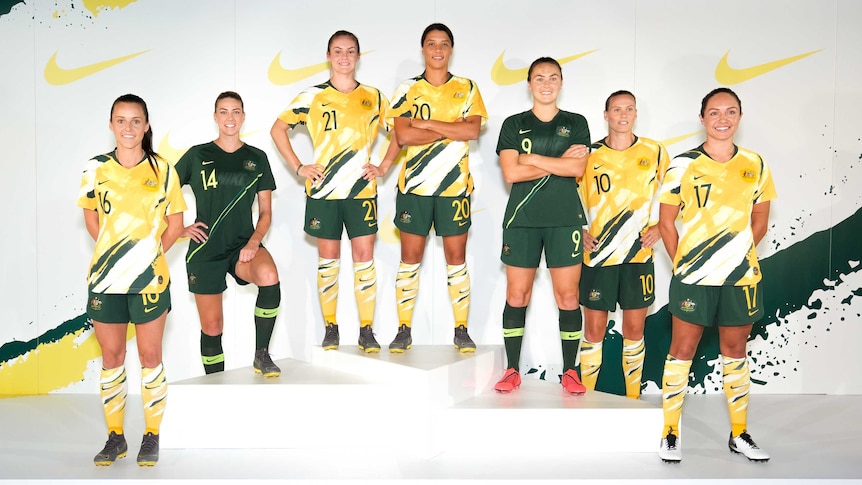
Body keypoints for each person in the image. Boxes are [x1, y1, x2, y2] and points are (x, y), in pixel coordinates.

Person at [657, 87, 776, 463]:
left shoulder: (755, 163)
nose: (722, 119)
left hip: (740, 278)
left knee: (735, 351)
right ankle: (670, 432)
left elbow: (760, 220)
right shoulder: (681, 164)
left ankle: (739, 434)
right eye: (714, 112)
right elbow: (665, 222)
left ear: (740, 117)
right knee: (682, 351)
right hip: (694, 277)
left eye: (730, 112)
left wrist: (734, 255)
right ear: (702, 118)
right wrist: (685, 264)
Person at [271, 30, 400, 352]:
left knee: (364, 258)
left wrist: (383, 166)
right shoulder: (312, 96)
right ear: (328, 56)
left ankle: (366, 330)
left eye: (351, 51)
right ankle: (331, 327)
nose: (344, 57)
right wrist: (299, 167)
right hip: (324, 192)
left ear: (358, 56)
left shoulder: (374, 96)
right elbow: (278, 128)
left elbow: (399, 133)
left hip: (361, 192)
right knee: (328, 260)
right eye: (338, 51)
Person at [79, 94, 186, 466]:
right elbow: (92, 218)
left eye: (135, 120)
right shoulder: (94, 169)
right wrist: (115, 255)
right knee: (111, 357)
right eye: (121, 121)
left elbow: (174, 225)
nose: (128, 128)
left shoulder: (163, 169)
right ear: (111, 125)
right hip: (106, 281)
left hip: (150, 281)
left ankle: (151, 435)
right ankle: (115, 437)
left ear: (146, 125)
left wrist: (147, 254)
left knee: (151, 357)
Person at [386, 23, 488, 353]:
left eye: (444, 43)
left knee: (456, 259)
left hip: (454, 188)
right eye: (431, 43)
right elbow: (403, 136)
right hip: (414, 188)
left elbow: (472, 131)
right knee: (410, 259)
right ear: (423, 49)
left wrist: (426, 123)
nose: (437, 49)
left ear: (451, 49)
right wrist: (451, 129)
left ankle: (461, 329)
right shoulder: (407, 88)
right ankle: (403, 329)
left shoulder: (467, 87)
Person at [494, 57, 591, 394]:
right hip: (522, 221)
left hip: (565, 220)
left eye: (553, 77)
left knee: (568, 297)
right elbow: (511, 173)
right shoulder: (513, 123)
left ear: (561, 82)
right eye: (539, 78)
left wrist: (532, 158)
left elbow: (577, 170)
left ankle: (570, 371)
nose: (546, 83)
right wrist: (560, 162)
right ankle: (511, 369)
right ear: (529, 83)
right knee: (516, 295)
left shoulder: (576, 123)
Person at [176, 91, 282, 377]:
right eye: (224, 112)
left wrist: (254, 241)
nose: (230, 118)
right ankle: (215, 386)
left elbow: (266, 213)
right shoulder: (198, 155)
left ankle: (262, 355)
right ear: (215, 117)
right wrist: (179, 228)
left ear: (243, 117)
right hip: (205, 250)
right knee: (212, 327)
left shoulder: (256, 158)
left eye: (236, 112)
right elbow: (164, 192)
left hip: (241, 245)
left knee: (270, 277)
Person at [577, 91, 669, 399]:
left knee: (634, 331)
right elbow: (567, 196)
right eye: (617, 109)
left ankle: (633, 400)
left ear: (636, 113)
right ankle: (586, 401)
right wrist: (579, 229)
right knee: (593, 332)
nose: (623, 114)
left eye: (629, 108)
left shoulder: (655, 152)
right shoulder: (588, 154)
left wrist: (660, 226)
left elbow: (675, 193)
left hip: (638, 254)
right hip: (599, 256)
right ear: (606, 115)